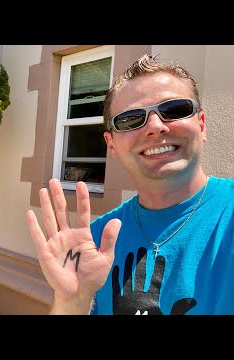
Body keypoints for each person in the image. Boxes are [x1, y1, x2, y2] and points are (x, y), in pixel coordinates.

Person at [26, 54, 234, 315]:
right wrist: (72, 300)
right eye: (131, 118)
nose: (156, 126)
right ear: (111, 143)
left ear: (201, 125)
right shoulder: (96, 241)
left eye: (175, 109)